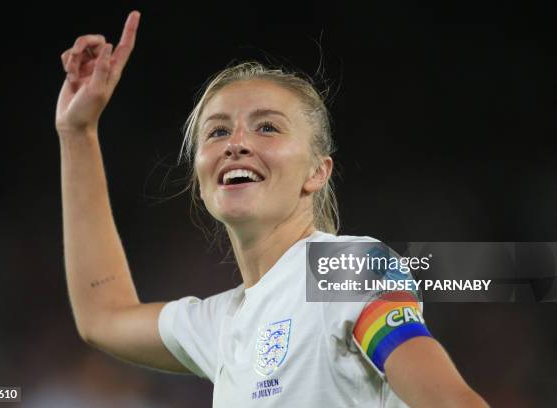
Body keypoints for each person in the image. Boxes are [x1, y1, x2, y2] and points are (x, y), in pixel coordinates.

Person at [55, 10, 489, 407]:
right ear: (201, 180)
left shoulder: (344, 269)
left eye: (267, 127)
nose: (236, 143)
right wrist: (77, 132)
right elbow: (102, 315)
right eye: (218, 131)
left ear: (317, 172)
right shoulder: (221, 324)